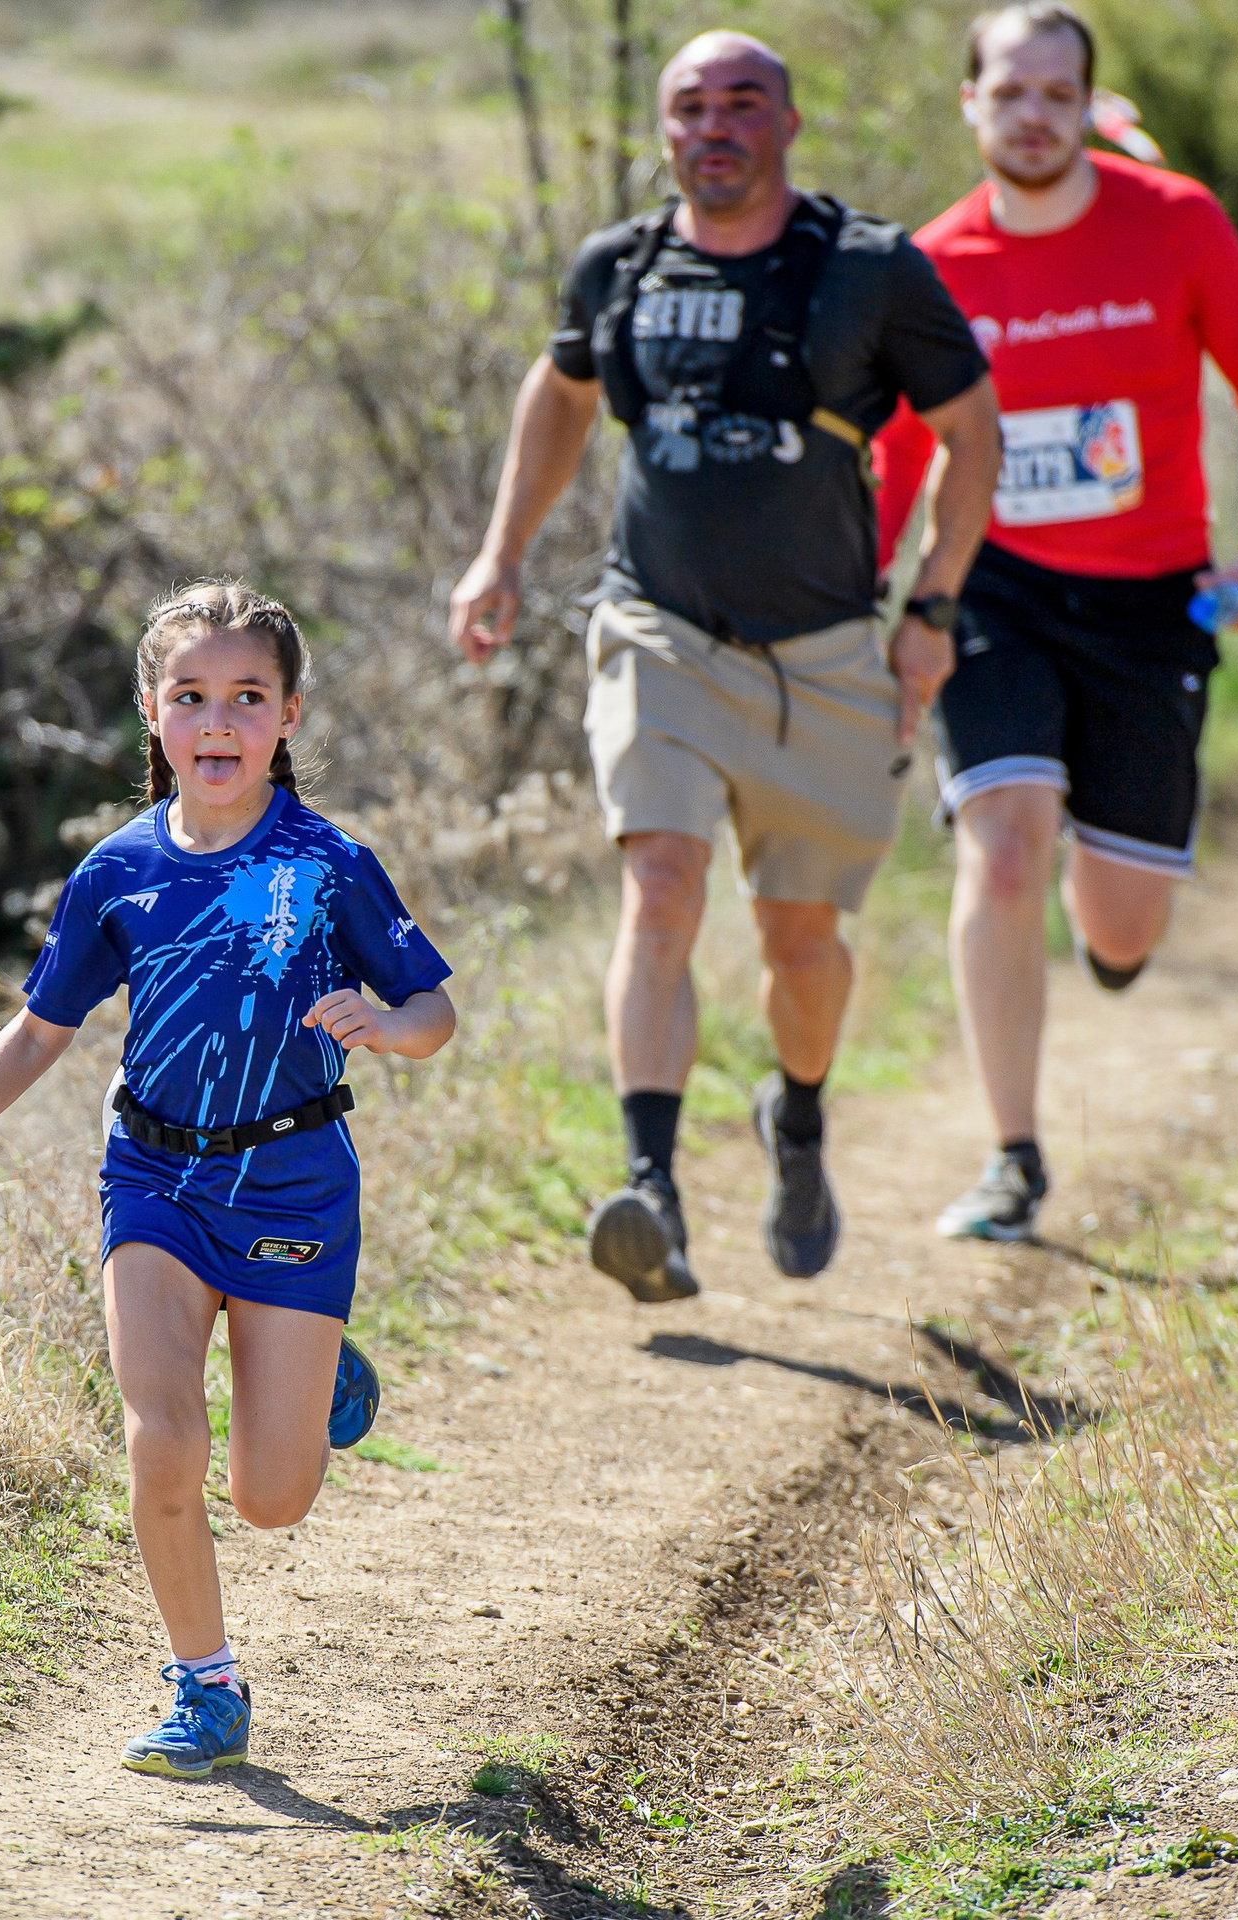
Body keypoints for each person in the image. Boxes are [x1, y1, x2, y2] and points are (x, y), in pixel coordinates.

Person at [0, 581, 457, 1779]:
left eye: (245, 697)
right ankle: (206, 1685)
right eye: (190, 698)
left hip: (293, 1187)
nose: (216, 721)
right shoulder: (115, 872)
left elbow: (434, 1007)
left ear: (287, 715)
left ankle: (320, 1359)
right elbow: (38, 1028)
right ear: (151, 712)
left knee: (273, 1498)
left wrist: (388, 1027)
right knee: (161, 1439)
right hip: (155, 1180)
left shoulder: (331, 866)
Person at [450, 30, 1000, 1301]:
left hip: (824, 655)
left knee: (801, 951)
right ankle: (652, 1193)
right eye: (689, 106)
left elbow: (972, 433)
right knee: (660, 881)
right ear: (664, 134)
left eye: (741, 102)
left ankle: (796, 1115)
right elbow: (560, 389)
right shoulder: (619, 267)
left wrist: (932, 608)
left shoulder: (871, 271)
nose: (714, 125)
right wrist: (499, 556)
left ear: (788, 124)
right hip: (660, 635)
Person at [874, 2, 1238, 1243]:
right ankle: (1012, 1157)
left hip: (1150, 604)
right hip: (992, 589)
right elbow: (900, 451)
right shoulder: (934, 265)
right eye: (1009, 92)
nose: (1032, 115)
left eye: (1057, 94)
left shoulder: (1173, 224)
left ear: (1085, 105)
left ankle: (1104, 912)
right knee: (1002, 845)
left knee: (1122, 923)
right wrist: (875, 603)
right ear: (971, 104)